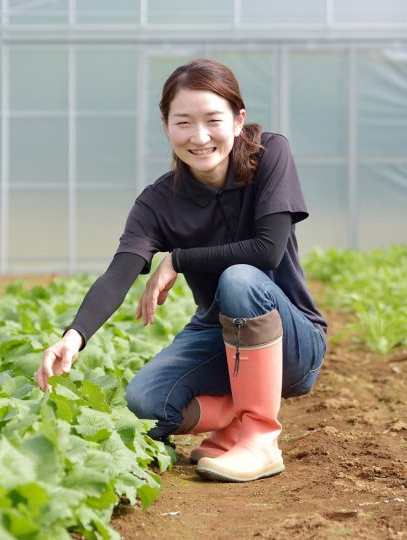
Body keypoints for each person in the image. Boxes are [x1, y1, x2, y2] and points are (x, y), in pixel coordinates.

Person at [35, 58, 327, 483]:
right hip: (217, 333)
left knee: (240, 278)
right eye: (184, 122)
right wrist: (72, 337)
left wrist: (178, 259)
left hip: (292, 342)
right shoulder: (158, 202)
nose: (199, 136)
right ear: (166, 125)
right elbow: (120, 272)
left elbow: (267, 251)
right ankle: (235, 419)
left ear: (238, 120)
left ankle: (260, 437)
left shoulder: (270, 154)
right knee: (145, 402)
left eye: (213, 120)